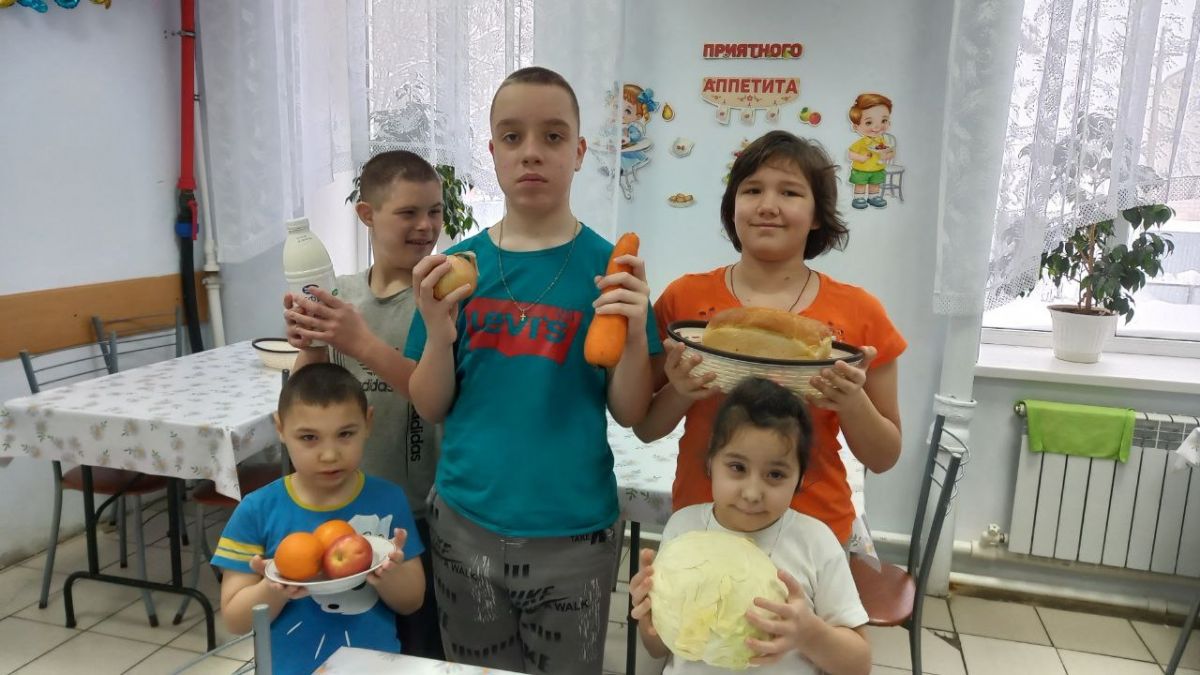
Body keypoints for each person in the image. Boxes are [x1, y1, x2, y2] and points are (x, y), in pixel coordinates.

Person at [403, 66, 662, 674]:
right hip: (464, 523)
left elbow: (631, 413)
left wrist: (632, 337)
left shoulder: (612, 272)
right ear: (492, 151)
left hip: (575, 533)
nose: (531, 153)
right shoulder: (458, 268)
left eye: (552, 136)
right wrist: (438, 334)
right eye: (512, 137)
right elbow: (429, 405)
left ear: (579, 152)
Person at [634, 129, 905, 546]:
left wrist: (853, 402)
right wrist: (681, 391)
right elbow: (646, 428)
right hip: (703, 522)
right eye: (752, 190)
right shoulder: (682, 299)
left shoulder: (862, 313)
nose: (767, 206)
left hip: (813, 533)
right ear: (732, 207)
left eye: (790, 192)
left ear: (817, 214)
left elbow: (884, 457)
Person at [283, 150, 444, 658]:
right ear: (367, 215)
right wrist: (309, 343)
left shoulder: (440, 298)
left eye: (435, 211)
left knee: (419, 644)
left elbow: (437, 397)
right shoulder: (342, 296)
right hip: (342, 504)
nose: (426, 226)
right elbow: (308, 396)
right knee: (349, 643)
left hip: (419, 509)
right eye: (408, 212)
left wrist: (361, 343)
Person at [630, 377, 871, 675]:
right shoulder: (684, 526)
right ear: (711, 462)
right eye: (737, 468)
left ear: (800, 478)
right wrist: (649, 612)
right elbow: (657, 648)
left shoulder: (816, 542)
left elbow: (858, 666)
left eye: (775, 474)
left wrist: (809, 633)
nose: (753, 493)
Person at [212, 363, 425, 674]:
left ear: (368, 423)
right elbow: (235, 620)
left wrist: (388, 573)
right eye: (309, 437)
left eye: (345, 434)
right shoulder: (256, 510)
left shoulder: (388, 500)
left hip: (375, 667)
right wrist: (273, 587)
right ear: (280, 428)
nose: (329, 455)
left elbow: (412, 601)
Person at [846, 93, 895, 209]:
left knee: (875, 184)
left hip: (877, 168)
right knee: (860, 184)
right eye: (869, 122)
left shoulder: (882, 141)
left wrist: (888, 155)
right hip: (861, 169)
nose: (877, 127)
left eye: (883, 120)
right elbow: (850, 154)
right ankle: (858, 198)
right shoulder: (861, 142)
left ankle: (873, 197)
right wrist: (861, 158)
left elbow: (891, 152)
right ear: (856, 127)